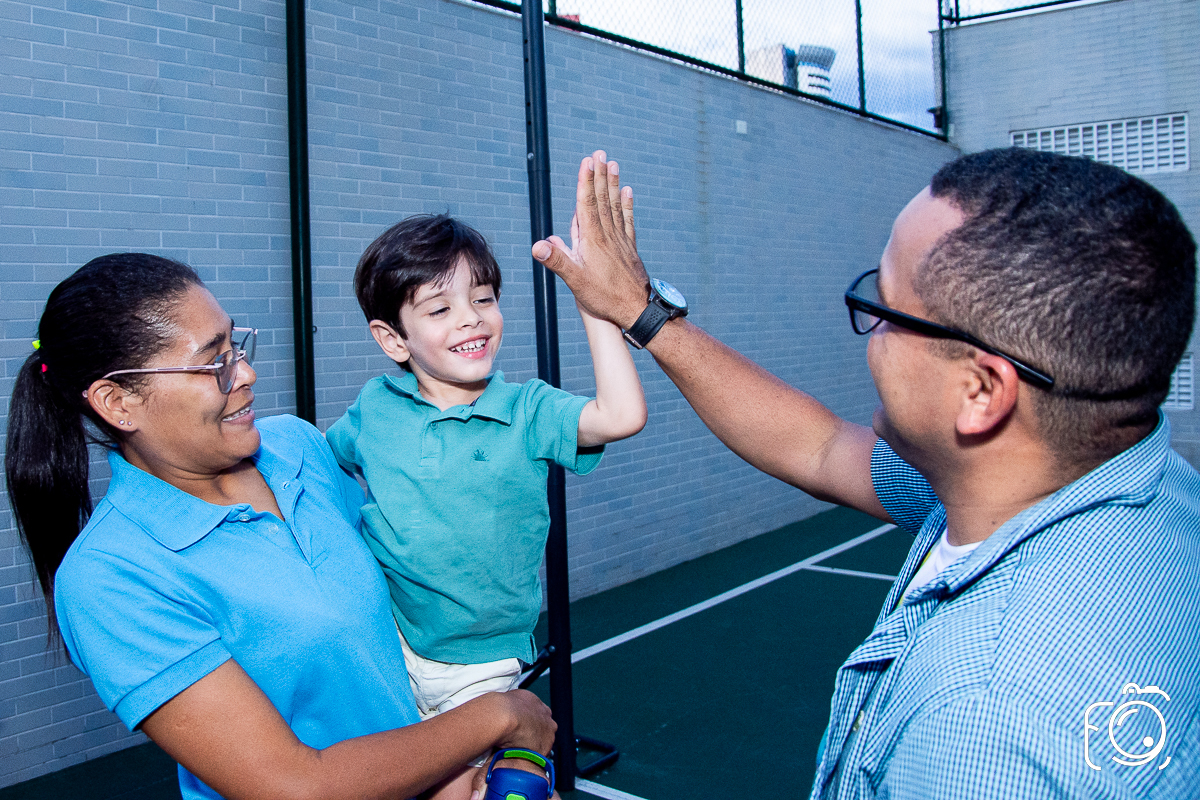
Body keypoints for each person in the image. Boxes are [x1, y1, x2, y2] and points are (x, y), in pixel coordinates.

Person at [531, 148, 1199, 798]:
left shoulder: (984, 726)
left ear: (980, 393)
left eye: (884, 309)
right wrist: (643, 314)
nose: (869, 328)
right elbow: (818, 447)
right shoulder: (1130, 486)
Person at [4, 253, 556, 800]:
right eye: (212, 363)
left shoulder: (296, 447)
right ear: (118, 402)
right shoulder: (110, 579)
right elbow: (295, 786)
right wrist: (500, 717)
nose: (245, 373)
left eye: (235, 346)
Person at [325, 214, 646, 797]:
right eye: (440, 308)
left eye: (484, 298)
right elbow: (326, 466)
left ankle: (520, 765)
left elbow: (621, 416)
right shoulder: (375, 406)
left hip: (478, 663)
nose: (471, 317)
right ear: (392, 339)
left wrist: (597, 309)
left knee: (479, 790)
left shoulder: (527, 411)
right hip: (385, 644)